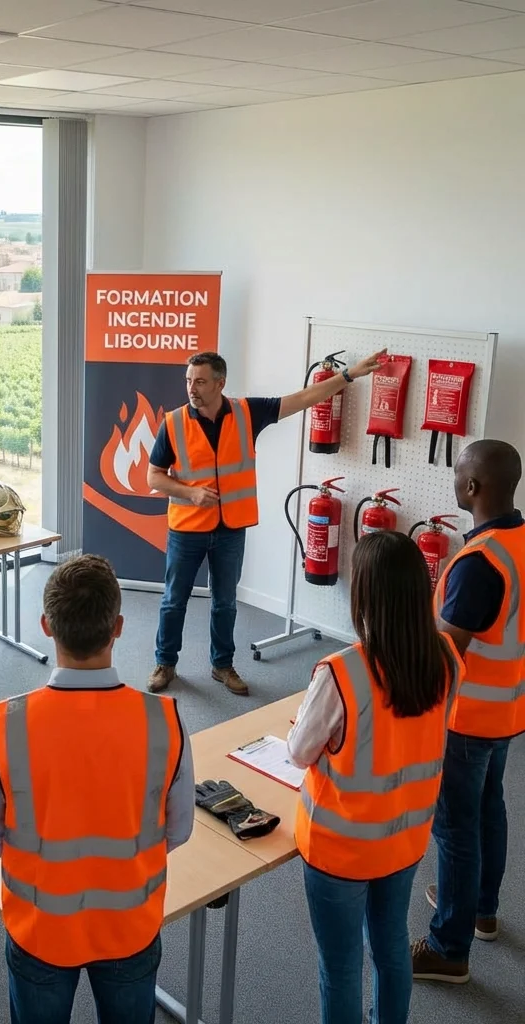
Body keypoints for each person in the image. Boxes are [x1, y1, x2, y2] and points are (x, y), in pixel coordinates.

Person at [0, 554, 195, 1024]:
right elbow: (180, 829)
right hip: (130, 925)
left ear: (45, 626)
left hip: (39, 929)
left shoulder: (5, 723)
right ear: (118, 626)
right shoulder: (165, 721)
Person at [288, 530, 462, 1024]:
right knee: (389, 951)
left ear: (363, 594)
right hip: (405, 839)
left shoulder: (342, 672)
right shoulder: (447, 658)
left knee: (340, 967)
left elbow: (300, 752)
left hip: (341, 850)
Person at [147, 348, 385, 696]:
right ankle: (165, 663)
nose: (191, 388)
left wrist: (349, 375)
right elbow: (154, 477)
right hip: (187, 529)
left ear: (220, 383)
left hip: (231, 530)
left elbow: (303, 398)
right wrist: (191, 492)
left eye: (199, 381)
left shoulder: (247, 412)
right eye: (188, 380)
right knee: (174, 600)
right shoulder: (173, 423)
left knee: (225, 602)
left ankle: (222, 665)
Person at [411, 439, 525, 984]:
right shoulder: (520, 542)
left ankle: (448, 946)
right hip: (508, 712)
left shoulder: (480, 563)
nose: (454, 482)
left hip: (466, 719)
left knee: (455, 827)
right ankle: (481, 909)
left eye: (458, 476)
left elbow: (445, 651)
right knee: (488, 810)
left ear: (473, 488)